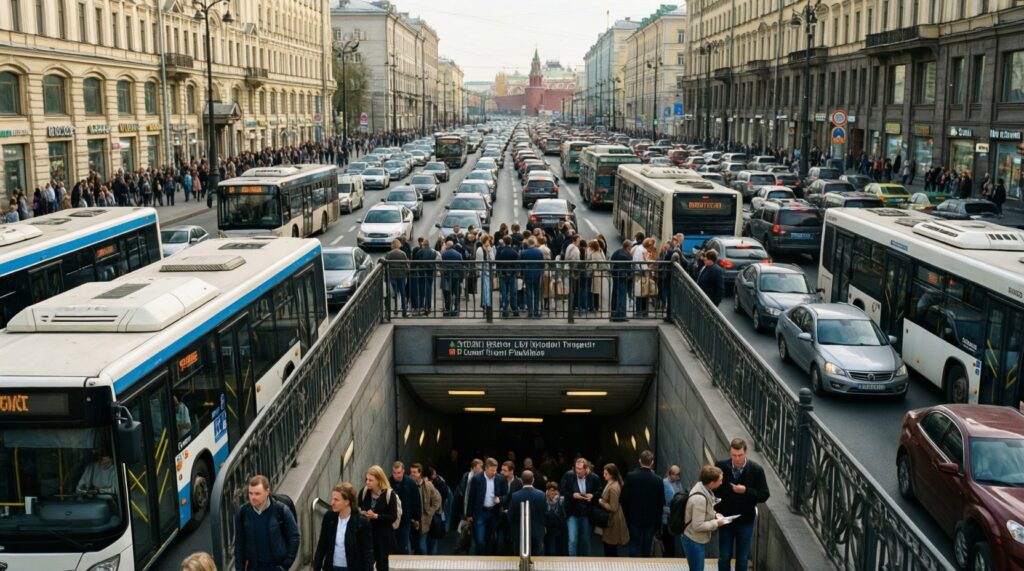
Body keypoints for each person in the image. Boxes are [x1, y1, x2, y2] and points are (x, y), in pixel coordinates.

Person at [715, 438, 771, 571]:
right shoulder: (721, 466)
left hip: (745, 521)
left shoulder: (756, 470)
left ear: (745, 453)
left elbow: (764, 495)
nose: (737, 458)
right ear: (730, 453)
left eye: (740, 455)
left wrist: (746, 490)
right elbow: (714, 489)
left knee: (742, 559)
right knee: (724, 556)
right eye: (734, 455)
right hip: (725, 519)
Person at [233, 475, 300, 571]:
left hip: (275, 567)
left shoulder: (281, 510)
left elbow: (295, 537)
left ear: (267, 492)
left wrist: (285, 565)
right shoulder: (243, 513)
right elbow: (239, 544)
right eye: (250, 493)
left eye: (257, 493)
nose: (253, 497)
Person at [312, 482, 374, 571]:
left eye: (336, 500)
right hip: (331, 567)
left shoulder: (361, 522)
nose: (332, 502)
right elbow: (322, 544)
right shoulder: (329, 517)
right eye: (332, 499)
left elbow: (367, 551)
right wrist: (316, 566)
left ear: (346, 502)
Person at [620, 449, 665, 557]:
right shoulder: (658, 480)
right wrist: (658, 525)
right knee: (646, 547)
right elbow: (661, 503)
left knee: (634, 544)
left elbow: (623, 499)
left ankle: (633, 566)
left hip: (634, 518)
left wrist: (627, 516)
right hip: (651, 520)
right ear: (652, 462)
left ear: (640, 461)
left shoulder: (631, 476)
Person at [682, 466, 727, 571]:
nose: (721, 482)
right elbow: (697, 526)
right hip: (693, 540)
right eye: (720, 480)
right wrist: (716, 523)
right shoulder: (700, 499)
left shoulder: (702, 487)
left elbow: (705, 511)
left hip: (695, 539)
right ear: (711, 483)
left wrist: (715, 515)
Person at [359, 465, 399, 571]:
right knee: (366, 564)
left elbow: (393, 517)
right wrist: (362, 513)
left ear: (379, 480)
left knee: (382, 565)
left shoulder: (389, 495)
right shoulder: (364, 492)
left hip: (383, 537)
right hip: (367, 534)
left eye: (371, 480)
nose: (367, 482)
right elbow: (358, 508)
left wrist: (376, 516)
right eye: (366, 479)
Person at [466, 457, 509, 555]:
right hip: (480, 512)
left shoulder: (501, 479)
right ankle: (481, 560)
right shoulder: (477, 479)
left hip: (494, 512)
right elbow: (471, 497)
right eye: (492, 470)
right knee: (480, 540)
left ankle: (488, 560)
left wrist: (500, 499)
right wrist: (469, 514)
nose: (494, 472)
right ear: (486, 468)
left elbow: (506, 495)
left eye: (495, 470)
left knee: (491, 539)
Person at [559, 457, 601, 557]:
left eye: (580, 469)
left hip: (586, 513)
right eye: (576, 468)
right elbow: (563, 490)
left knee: (585, 541)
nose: (577, 471)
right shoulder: (569, 475)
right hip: (572, 513)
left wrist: (593, 496)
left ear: (586, 469)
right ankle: (572, 564)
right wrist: (572, 495)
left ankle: (584, 563)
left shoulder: (593, 477)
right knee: (572, 540)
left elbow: (599, 491)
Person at [508, 470, 546, 555]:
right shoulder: (542, 495)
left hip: (519, 533)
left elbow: (510, 516)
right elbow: (545, 513)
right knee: (537, 559)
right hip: (537, 532)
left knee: (519, 560)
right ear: (533, 480)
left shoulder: (515, 496)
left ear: (521, 480)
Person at [388, 461, 422, 555]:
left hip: (405, 519)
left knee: (403, 544)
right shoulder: (388, 483)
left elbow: (416, 501)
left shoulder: (410, 483)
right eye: (394, 473)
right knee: (393, 545)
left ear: (403, 471)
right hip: (393, 519)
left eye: (398, 473)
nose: (396, 475)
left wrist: (417, 518)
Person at [409, 463, 442, 555]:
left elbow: (437, 500)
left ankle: (428, 563)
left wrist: (430, 513)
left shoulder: (428, 485)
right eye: (411, 472)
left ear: (420, 473)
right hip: (413, 520)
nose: (412, 474)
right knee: (418, 545)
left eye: (415, 472)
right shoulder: (409, 485)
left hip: (426, 520)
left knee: (423, 545)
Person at [597, 463, 628, 557]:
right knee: (610, 547)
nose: (603, 475)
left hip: (612, 520)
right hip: (612, 519)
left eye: (605, 474)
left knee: (610, 548)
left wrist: (601, 502)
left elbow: (613, 507)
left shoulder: (613, 487)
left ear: (611, 474)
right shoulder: (612, 483)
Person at [662, 465, 684, 557]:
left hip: (674, 517)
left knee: (672, 542)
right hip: (667, 518)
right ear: (670, 474)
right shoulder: (664, 483)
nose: (678, 477)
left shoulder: (677, 483)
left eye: (679, 474)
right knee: (668, 543)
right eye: (676, 474)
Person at [610, 240, 634, 321]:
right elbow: (629, 264)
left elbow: (612, 258)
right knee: (622, 296)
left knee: (616, 295)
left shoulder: (617, 252)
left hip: (616, 276)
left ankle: (614, 313)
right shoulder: (626, 256)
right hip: (622, 277)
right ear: (628, 248)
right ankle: (620, 314)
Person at [385, 240, 410, 318]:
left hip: (392, 276)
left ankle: (394, 310)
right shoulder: (403, 253)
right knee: (403, 294)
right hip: (401, 276)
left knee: (394, 294)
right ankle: (404, 312)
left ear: (392, 245)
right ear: (399, 245)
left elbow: (386, 265)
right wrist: (407, 273)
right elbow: (406, 265)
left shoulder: (389, 254)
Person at [543, 481, 567, 555]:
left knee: (558, 548)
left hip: (559, 527)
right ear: (548, 491)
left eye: (554, 490)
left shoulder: (561, 500)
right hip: (548, 527)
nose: (552, 493)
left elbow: (563, 515)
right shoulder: (543, 499)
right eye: (551, 490)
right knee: (550, 549)